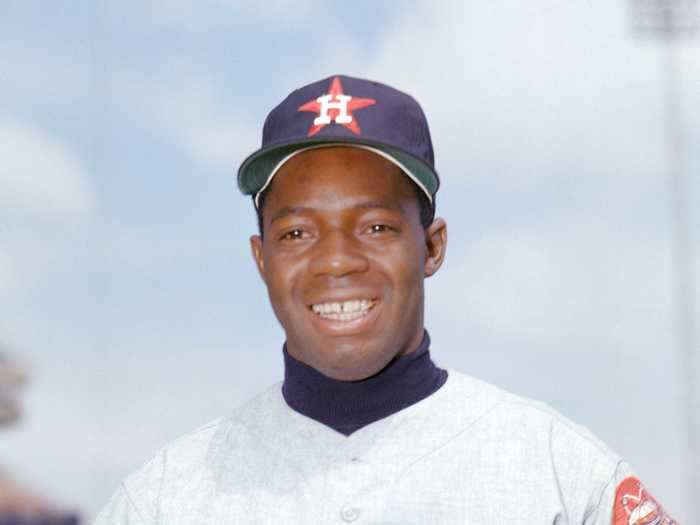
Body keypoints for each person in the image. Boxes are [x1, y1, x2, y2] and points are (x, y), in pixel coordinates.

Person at [94, 75, 677, 525]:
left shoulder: (555, 469)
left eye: (375, 227)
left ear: (431, 246)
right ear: (261, 259)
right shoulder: (165, 497)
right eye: (297, 233)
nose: (337, 260)